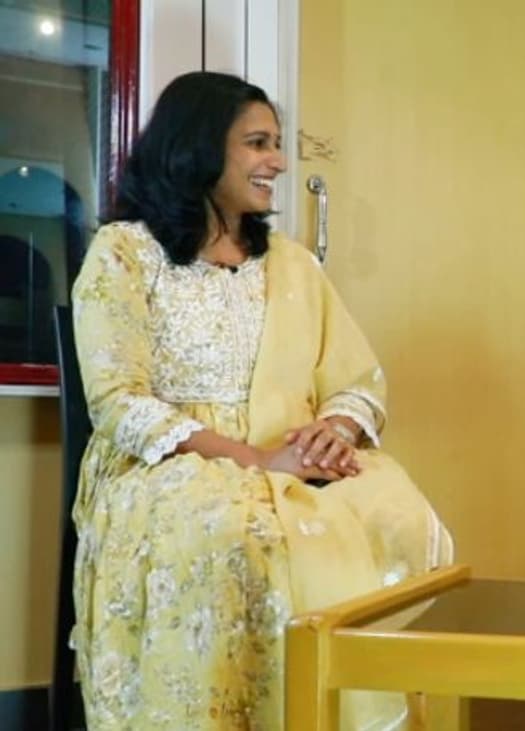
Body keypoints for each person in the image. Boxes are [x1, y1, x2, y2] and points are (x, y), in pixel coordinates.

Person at [70, 71, 454, 730]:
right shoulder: (124, 253)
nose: (277, 161)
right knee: (237, 535)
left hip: (292, 456)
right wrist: (254, 460)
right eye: (257, 143)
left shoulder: (291, 263)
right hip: (171, 465)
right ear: (198, 146)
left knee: (399, 516)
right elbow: (117, 400)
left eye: (276, 143)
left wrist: (335, 429)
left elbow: (355, 377)